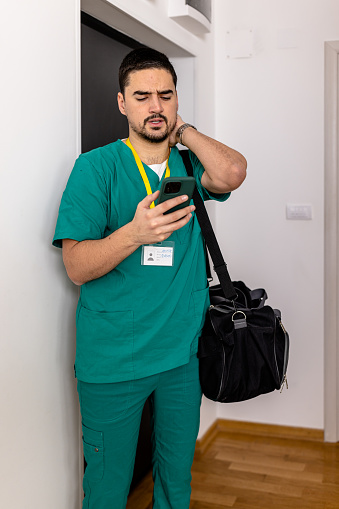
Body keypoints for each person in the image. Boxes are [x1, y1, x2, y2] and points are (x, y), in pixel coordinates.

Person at [53, 47, 246, 509]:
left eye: (165, 95)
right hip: (114, 361)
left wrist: (187, 133)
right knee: (105, 489)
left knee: (176, 484)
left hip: (182, 355)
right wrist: (136, 233)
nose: (155, 105)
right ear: (122, 103)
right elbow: (77, 266)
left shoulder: (188, 165)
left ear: (177, 99)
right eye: (142, 96)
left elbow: (233, 171)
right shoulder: (95, 168)